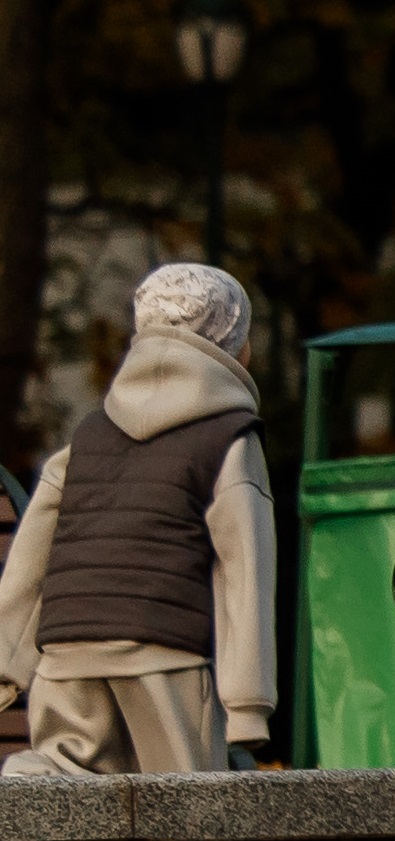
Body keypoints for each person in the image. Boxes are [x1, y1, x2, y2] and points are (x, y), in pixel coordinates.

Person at [0, 264, 277, 778]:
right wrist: (247, 703)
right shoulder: (231, 440)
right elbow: (246, 571)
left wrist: (6, 662)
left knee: (61, 777)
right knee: (183, 807)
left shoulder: (86, 439)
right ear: (231, 348)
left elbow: (31, 560)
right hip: (164, 659)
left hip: (67, 658)